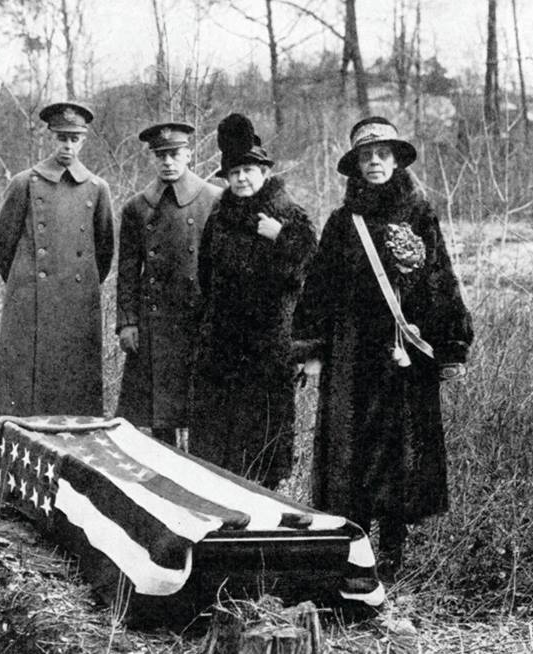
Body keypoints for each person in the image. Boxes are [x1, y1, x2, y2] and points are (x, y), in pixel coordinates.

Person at [292, 116, 474, 580]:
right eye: (366, 156)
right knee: (349, 453)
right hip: (351, 356)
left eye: (382, 154)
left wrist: (451, 347)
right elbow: (319, 288)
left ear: (396, 161)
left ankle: (393, 552)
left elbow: (440, 281)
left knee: (400, 454)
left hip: (405, 355)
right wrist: (312, 350)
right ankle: (356, 549)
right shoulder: (341, 223)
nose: (374, 162)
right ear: (355, 165)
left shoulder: (420, 215)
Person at [189, 113, 318, 488]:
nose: (241, 178)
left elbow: (315, 274)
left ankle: (265, 499)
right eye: (234, 173)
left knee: (264, 438)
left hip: (268, 347)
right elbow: (205, 275)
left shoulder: (289, 215)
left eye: (248, 170)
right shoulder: (219, 216)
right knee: (218, 440)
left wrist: (281, 237)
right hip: (222, 345)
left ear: (264, 172)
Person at [0, 101, 115, 418]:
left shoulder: (97, 189)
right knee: (24, 396)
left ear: (83, 141)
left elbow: (104, 251)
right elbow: (0, 243)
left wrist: (79, 284)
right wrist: (25, 280)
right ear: (50, 137)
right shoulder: (24, 183)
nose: (67, 146)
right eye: (61, 138)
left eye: (74, 139)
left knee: (73, 392)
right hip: (30, 304)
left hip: (77, 304)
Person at [115, 122, 222, 446]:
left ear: (189, 154)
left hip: (198, 318)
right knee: (159, 413)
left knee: (201, 407)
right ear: (153, 158)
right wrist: (127, 322)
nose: (168, 162)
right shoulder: (137, 207)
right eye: (161, 155)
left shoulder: (214, 199)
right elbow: (128, 270)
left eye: (175, 154)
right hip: (155, 322)